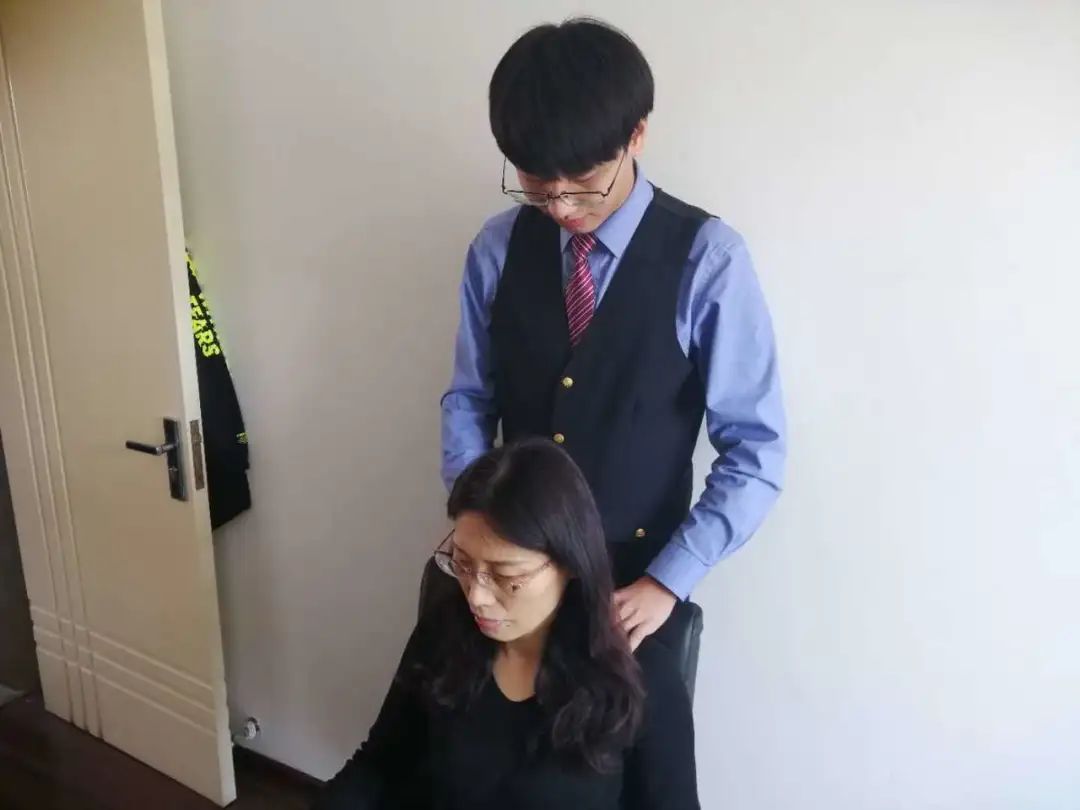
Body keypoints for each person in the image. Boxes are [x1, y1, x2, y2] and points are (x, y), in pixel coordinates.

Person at [441, 18, 786, 648]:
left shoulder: (708, 260)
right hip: (506, 578)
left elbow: (756, 449)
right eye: (537, 186)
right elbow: (469, 399)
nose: (561, 207)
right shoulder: (497, 249)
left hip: (637, 588)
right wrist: (477, 528)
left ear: (637, 134)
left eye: (583, 182)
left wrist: (669, 580)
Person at [314, 440, 699, 809]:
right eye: (462, 564)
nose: (476, 596)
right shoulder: (443, 635)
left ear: (570, 563)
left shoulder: (643, 678)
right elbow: (379, 765)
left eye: (506, 576)